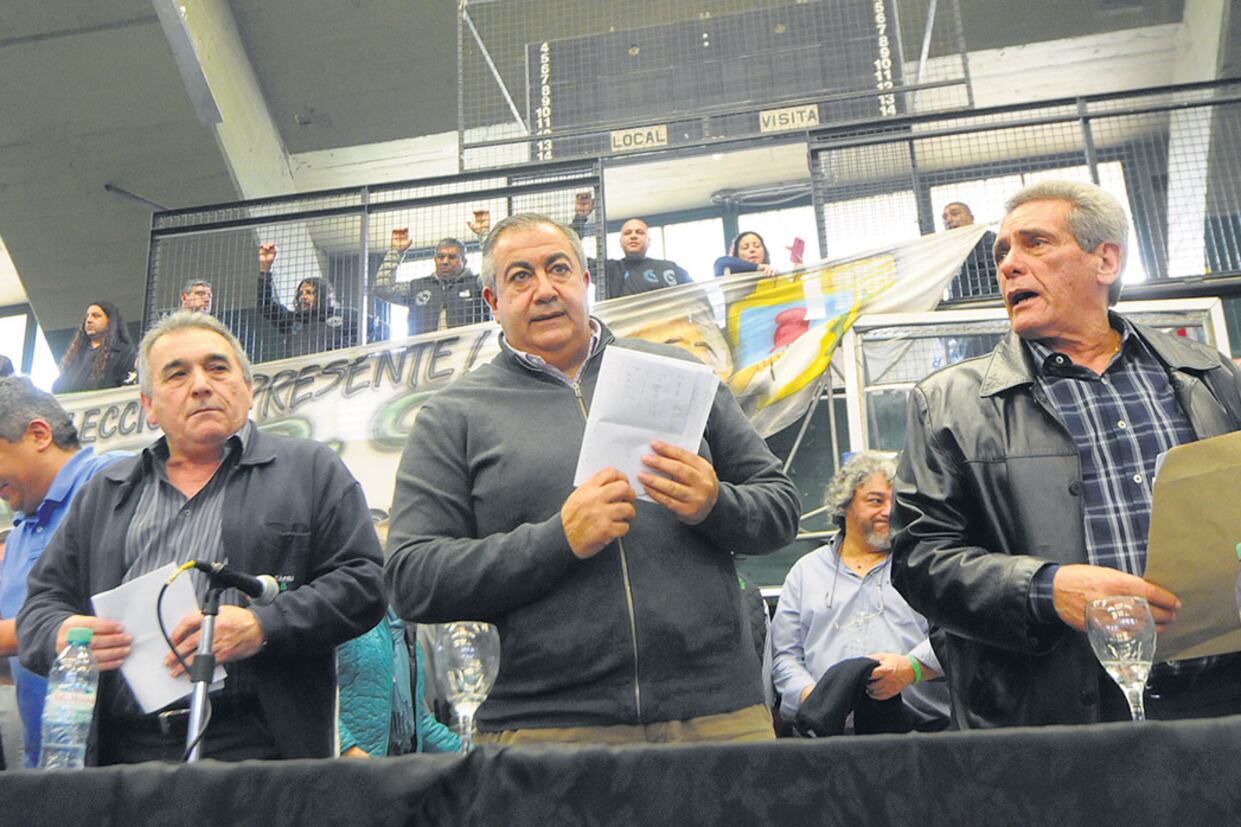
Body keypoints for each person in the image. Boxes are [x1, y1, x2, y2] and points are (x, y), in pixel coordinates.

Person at [384, 213, 801, 746]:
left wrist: (715, 503)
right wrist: (557, 540)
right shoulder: (453, 416)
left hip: (719, 717)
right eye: (519, 277)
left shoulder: (679, 375)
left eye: (558, 269)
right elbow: (412, 577)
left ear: (585, 282)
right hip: (546, 731)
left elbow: (781, 508)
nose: (543, 290)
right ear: (492, 302)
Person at [891, 180, 1241, 729]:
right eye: (1002, 251)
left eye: (1035, 243)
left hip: (1220, 698)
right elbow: (919, 562)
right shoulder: (949, 404)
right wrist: (1045, 588)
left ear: (1106, 260)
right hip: (1058, 716)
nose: (1009, 265)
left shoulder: (1208, 376)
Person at [17, 311, 385, 764]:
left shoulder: (310, 470)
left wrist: (262, 626)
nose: (201, 385)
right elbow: (38, 609)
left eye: (217, 368)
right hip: (124, 754)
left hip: (261, 748)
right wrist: (62, 633)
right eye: (177, 374)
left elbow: (364, 583)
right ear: (148, 405)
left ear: (248, 390)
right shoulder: (105, 493)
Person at [0, 378, 128, 767]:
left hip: (113, 761)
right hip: (47, 762)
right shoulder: (22, 529)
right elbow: (21, 661)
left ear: (39, 434)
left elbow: (109, 619)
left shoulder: (115, 479)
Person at [771, 452, 948, 730]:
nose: (889, 511)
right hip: (828, 741)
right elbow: (785, 658)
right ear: (844, 505)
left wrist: (910, 668)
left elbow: (953, 636)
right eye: (876, 500)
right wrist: (817, 700)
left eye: (896, 501)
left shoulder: (925, 566)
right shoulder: (805, 573)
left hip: (920, 735)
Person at [569, 194, 693, 298]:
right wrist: (580, 217)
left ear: (649, 241)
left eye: (640, 232)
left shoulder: (669, 268)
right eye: (627, 233)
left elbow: (697, 296)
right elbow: (569, 252)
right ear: (620, 242)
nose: (633, 236)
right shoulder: (607, 270)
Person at [371, 231, 489, 338]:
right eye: (441, 257)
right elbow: (382, 288)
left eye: (452, 257)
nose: (445, 261)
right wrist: (395, 252)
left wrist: (485, 237)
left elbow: (497, 277)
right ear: (435, 260)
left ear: (464, 261)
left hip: (469, 355)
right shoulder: (418, 286)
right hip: (422, 357)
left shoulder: (477, 284)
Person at [257, 243, 359, 357]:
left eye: (309, 293)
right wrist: (265, 268)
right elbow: (265, 305)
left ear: (323, 295)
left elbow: (372, 330)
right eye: (300, 293)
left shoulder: (346, 315)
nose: (303, 297)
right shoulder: (292, 320)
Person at [52, 301, 136, 393]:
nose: (89, 320)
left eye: (96, 316)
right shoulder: (75, 355)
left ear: (110, 322)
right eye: (87, 316)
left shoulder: (122, 353)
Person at [942, 201, 999, 299]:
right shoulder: (949, 249)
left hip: (988, 301)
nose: (949, 220)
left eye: (955, 214)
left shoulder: (987, 239)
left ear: (971, 218)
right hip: (958, 303)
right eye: (945, 217)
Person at [714, 231, 779, 278]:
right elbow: (720, 263)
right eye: (745, 247)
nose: (752, 250)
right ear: (736, 254)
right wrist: (758, 267)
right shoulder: (730, 276)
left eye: (757, 246)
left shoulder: (775, 276)